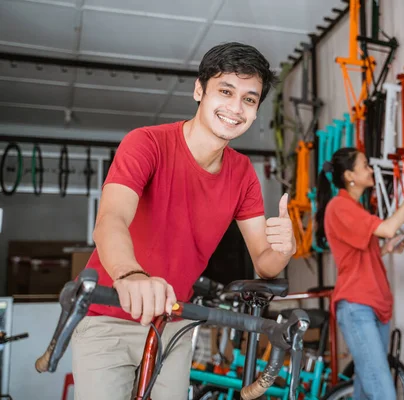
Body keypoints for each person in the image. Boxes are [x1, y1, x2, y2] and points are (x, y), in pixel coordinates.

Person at [72, 42, 296, 400]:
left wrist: (285, 249)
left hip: (172, 327)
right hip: (108, 316)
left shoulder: (242, 174)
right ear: (199, 90)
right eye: (225, 91)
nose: (236, 108)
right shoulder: (146, 144)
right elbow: (110, 219)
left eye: (249, 99)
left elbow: (265, 263)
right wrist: (131, 274)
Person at [315, 147, 404, 399]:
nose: (371, 170)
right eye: (365, 165)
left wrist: (387, 248)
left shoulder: (354, 208)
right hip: (358, 307)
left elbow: (363, 253)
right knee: (383, 390)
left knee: (367, 390)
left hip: (375, 305)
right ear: (349, 176)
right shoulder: (339, 207)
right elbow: (387, 229)